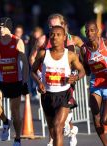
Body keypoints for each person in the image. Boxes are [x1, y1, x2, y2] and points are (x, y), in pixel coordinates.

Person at [29, 13, 84, 146]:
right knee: (53, 131)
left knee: (58, 126)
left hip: (65, 93)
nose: (54, 37)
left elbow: (82, 69)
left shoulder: (71, 54)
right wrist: (39, 81)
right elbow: (32, 69)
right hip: (47, 94)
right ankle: (69, 128)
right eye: (52, 33)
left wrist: (75, 77)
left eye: (58, 34)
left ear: (64, 36)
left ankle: (68, 125)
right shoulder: (43, 52)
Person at [0, 17, 29, 146]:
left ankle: (17, 138)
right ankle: (6, 122)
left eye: (3, 27)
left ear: (9, 28)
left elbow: (25, 63)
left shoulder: (18, 42)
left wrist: (25, 80)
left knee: (15, 112)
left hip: (15, 80)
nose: (0, 29)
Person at [81, 20, 107, 146]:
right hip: (95, 82)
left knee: (105, 119)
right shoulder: (84, 49)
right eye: (86, 31)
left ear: (97, 31)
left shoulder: (105, 43)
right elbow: (85, 69)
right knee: (97, 121)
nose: (89, 33)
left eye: (92, 30)